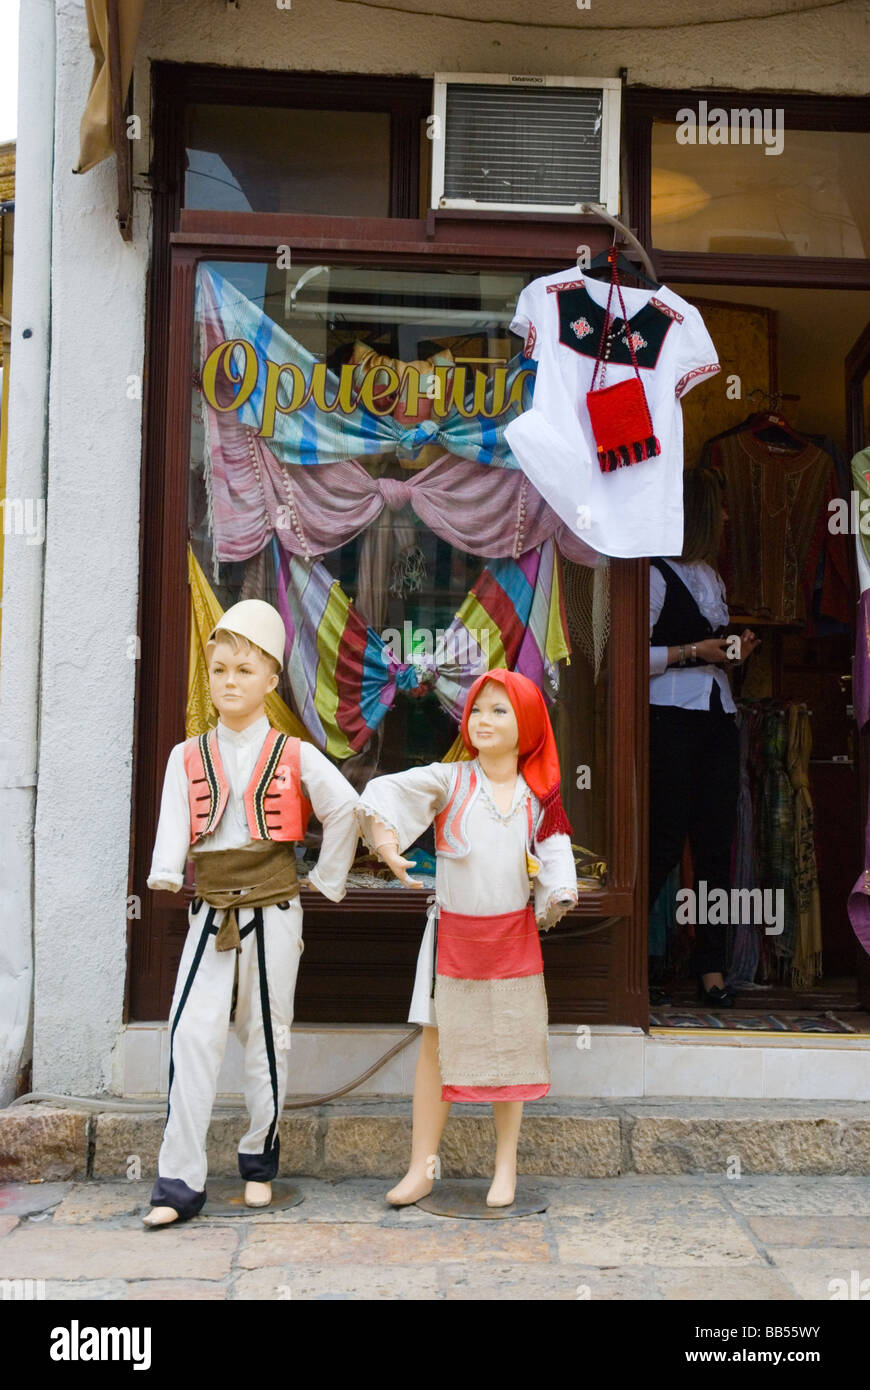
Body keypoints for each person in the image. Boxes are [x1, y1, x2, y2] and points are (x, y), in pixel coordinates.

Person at [143, 600, 360, 1226]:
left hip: (273, 909)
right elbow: (172, 826)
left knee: (268, 1038)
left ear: (270, 680)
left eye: (243, 670)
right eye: (218, 670)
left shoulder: (295, 753)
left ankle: (259, 1161)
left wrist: (325, 879)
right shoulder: (186, 756)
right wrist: (166, 868)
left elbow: (346, 809)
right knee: (191, 1033)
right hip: (210, 912)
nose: (229, 682)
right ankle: (178, 1183)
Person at [357, 669, 578, 1208]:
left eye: (500, 711)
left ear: (526, 724)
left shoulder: (537, 799)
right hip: (451, 936)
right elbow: (385, 792)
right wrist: (386, 844)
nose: (483, 720)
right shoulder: (449, 780)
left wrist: (559, 894)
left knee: (514, 1051)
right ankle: (422, 1167)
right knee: (436, 1047)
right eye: (478, 709)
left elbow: (556, 857)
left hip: (511, 939)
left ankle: (506, 1169)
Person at [648, 466, 760, 1007]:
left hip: (716, 717)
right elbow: (626, 661)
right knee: (664, 839)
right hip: (669, 718)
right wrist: (693, 652)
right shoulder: (650, 575)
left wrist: (733, 651)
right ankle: (637, 959)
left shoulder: (710, 577)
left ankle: (710, 968)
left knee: (715, 844)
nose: (725, 516)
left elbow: (713, 652)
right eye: (717, 507)